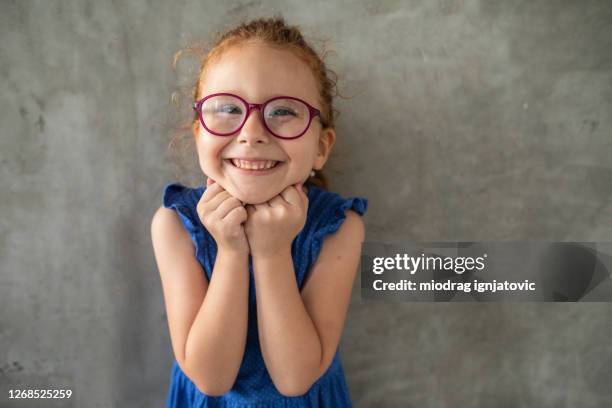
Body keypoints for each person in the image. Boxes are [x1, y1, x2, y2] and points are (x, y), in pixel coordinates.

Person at [151, 16, 368, 407]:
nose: (252, 132)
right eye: (227, 109)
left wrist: (271, 252)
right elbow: (211, 379)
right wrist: (232, 252)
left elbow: (295, 378)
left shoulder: (339, 228)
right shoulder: (174, 225)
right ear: (199, 132)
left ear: (321, 146)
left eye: (283, 112)